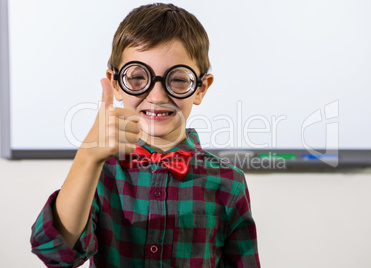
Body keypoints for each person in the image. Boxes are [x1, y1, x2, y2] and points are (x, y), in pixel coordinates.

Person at [30, 3, 260, 267]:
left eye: (178, 79)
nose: (157, 96)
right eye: (138, 77)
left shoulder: (228, 182)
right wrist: (87, 156)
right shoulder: (98, 172)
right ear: (116, 84)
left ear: (200, 88)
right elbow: (54, 252)